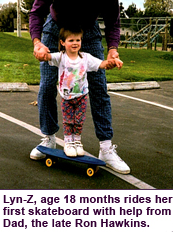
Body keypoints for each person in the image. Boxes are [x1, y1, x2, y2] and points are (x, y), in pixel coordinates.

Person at [29, 0, 130, 174]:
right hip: (56, 28)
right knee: (48, 84)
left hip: (87, 31)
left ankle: (106, 148)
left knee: (99, 86)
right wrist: (37, 42)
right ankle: (49, 139)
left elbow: (113, 20)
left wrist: (112, 48)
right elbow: (37, 11)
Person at [45, 26, 123, 157]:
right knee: (69, 120)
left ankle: (77, 142)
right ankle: (68, 142)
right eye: (71, 40)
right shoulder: (61, 57)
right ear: (62, 42)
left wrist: (112, 62)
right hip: (67, 97)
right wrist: (41, 52)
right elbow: (47, 57)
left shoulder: (86, 58)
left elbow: (101, 64)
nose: (75, 43)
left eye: (78, 40)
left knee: (79, 121)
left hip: (81, 96)